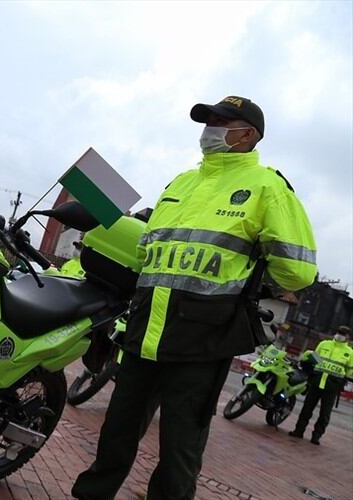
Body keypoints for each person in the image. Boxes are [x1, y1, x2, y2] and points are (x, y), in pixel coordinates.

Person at [72, 96, 317, 500]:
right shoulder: (181, 183)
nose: (211, 129)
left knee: (179, 449)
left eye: (222, 121)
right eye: (209, 121)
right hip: (145, 328)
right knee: (116, 432)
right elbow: (149, 249)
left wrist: (252, 282)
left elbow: (298, 270)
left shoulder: (267, 188)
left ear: (248, 134)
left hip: (203, 339)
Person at [289, 325, 352, 444]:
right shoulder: (324, 344)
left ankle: (316, 436)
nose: (340, 335)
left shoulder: (350, 353)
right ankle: (298, 431)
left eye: (343, 334)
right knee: (306, 409)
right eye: (339, 332)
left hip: (332, 385)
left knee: (324, 414)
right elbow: (315, 359)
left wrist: (339, 382)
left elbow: (349, 371)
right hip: (316, 381)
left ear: (348, 337)